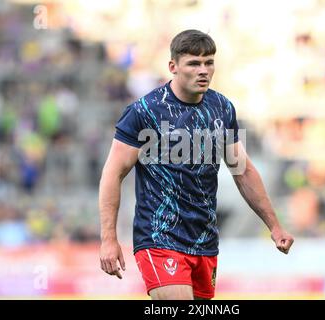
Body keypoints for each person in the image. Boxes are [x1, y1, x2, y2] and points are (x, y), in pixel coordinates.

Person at [98, 29, 294, 300]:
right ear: (173, 67)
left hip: (204, 241)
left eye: (209, 62)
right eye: (193, 63)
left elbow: (243, 170)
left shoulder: (222, 108)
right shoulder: (144, 111)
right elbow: (113, 173)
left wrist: (274, 225)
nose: (203, 70)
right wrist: (108, 238)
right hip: (159, 237)